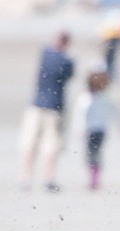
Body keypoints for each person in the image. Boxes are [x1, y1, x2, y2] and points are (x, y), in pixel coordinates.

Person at [18, 31, 74, 192]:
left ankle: (26, 178)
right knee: (48, 145)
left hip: (38, 105)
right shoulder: (65, 60)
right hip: (52, 107)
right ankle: (46, 179)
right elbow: (69, 75)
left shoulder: (46, 53)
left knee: (31, 143)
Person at [74, 71, 120, 190]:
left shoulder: (86, 98)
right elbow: (116, 113)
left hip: (92, 130)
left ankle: (93, 178)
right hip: (100, 130)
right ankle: (95, 177)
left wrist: (80, 129)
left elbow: (81, 115)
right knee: (96, 153)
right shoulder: (104, 98)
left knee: (91, 154)